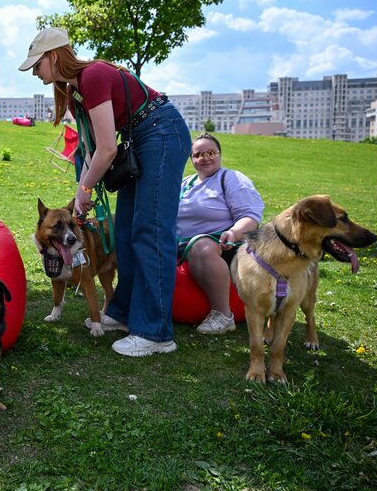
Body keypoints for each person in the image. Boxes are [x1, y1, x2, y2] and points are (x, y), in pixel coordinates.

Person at [20, 27, 191, 357]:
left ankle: (156, 333)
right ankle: (124, 312)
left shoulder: (94, 76)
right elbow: (90, 147)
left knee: (150, 232)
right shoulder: (75, 91)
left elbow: (108, 150)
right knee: (124, 232)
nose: (35, 73)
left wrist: (85, 189)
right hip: (142, 140)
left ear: (54, 57)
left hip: (161, 135)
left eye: (36, 65)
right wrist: (80, 191)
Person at [177, 133, 264, 334]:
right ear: (191, 160)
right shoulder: (185, 183)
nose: (205, 158)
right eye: (198, 154)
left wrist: (233, 233)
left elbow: (250, 217)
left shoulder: (231, 178)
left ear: (220, 155)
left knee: (201, 246)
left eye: (211, 152)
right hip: (180, 246)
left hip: (223, 246)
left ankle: (223, 314)